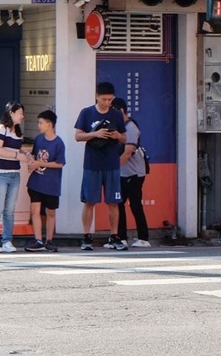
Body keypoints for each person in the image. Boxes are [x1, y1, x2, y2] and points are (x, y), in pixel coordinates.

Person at [74, 81, 127, 251]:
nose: (107, 102)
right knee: (89, 201)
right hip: (92, 163)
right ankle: (86, 237)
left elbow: (125, 138)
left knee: (114, 201)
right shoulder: (87, 113)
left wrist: (117, 135)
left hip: (112, 163)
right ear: (96, 96)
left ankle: (114, 236)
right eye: (104, 99)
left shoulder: (116, 115)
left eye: (110, 99)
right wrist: (95, 134)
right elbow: (78, 136)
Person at [0, 102, 28, 253]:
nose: (22, 116)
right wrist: (17, 156)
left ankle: (7, 241)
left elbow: (16, 147)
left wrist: (25, 154)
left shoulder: (17, 131)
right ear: (11, 113)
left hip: (14, 174)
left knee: (9, 210)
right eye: (20, 113)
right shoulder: (1, 128)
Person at [24, 110, 66, 253]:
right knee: (35, 210)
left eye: (41, 123)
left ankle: (49, 240)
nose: (38, 126)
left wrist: (40, 164)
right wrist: (31, 163)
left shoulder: (59, 143)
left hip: (51, 183)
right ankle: (38, 240)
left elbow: (60, 163)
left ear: (50, 124)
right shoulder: (38, 139)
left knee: (51, 212)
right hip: (36, 181)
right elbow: (35, 156)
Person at [112, 97, 151, 248]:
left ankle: (143, 238)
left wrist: (113, 168)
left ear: (121, 111)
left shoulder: (131, 128)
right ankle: (121, 238)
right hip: (124, 173)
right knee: (118, 205)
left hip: (134, 174)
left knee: (135, 205)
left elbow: (128, 152)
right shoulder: (121, 127)